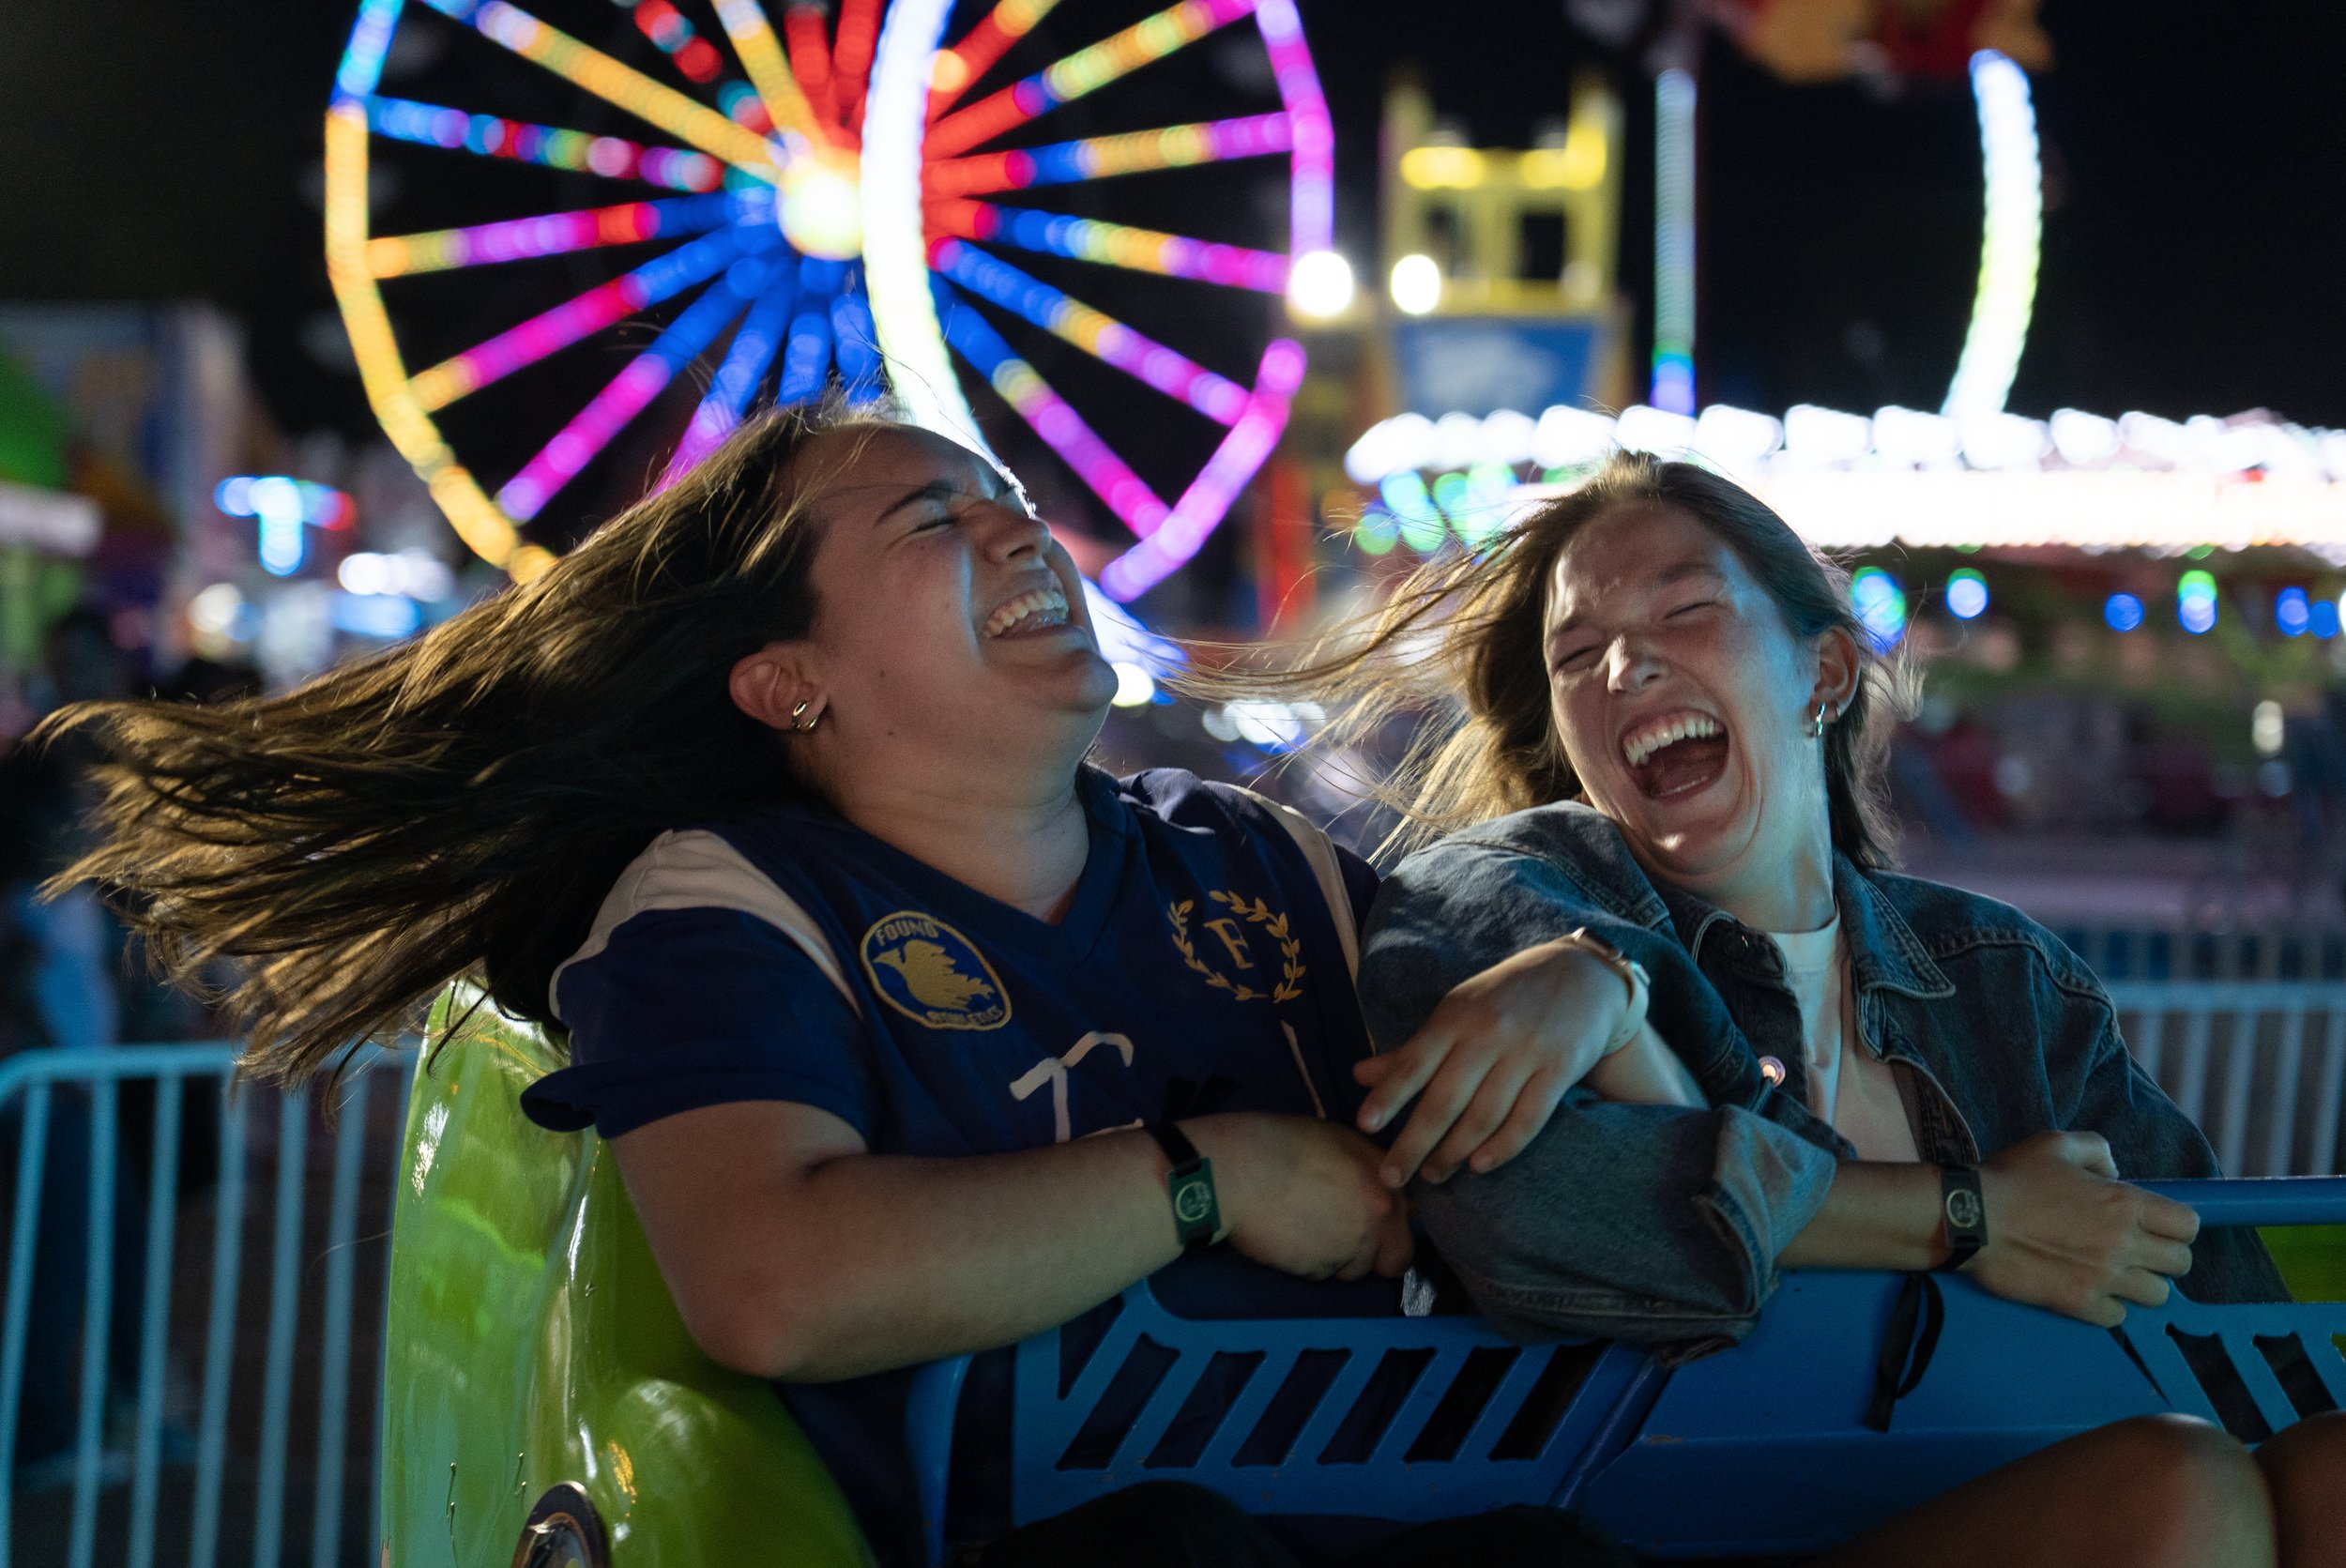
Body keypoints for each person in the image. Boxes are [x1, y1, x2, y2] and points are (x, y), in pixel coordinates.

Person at [37, 404, 1627, 1568]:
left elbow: (1609, 1171)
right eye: (934, 521)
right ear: (784, 680)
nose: (1020, 527)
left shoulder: (1258, 858)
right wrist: (1207, 1181)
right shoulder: (731, 903)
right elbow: (769, 1280)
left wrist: (1590, 994)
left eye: (1008, 493)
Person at [1275, 450, 2346, 1567]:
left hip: (2011, 1493)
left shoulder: (1998, 980)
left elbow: (2238, 1332)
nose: (1625, 667)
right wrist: (1970, 1215)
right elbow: (1531, 1210)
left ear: (1824, 673)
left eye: (1685, 608)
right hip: (1658, 1528)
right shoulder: (1505, 898)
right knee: (2178, 1497)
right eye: (1575, 655)